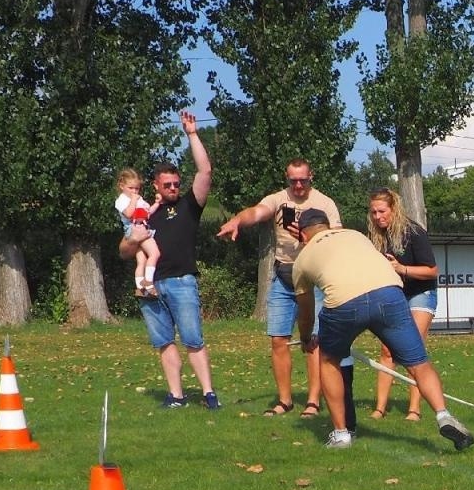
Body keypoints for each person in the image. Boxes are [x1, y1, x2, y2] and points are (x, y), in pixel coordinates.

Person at [290, 208, 474, 451]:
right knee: (419, 362)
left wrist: (305, 338)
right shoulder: (356, 235)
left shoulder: (302, 258)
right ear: (329, 226)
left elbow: (306, 309)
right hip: (389, 293)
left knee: (328, 361)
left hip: (345, 303)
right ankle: (443, 415)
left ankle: (341, 433)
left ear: (303, 235)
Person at [215, 159, 340, 419]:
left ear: (311, 177)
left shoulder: (325, 204)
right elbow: (257, 212)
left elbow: (335, 241)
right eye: (293, 180)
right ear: (287, 178)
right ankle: (285, 400)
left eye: (303, 180)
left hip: (313, 278)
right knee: (277, 340)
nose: (298, 185)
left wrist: (307, 238)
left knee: (313, 342)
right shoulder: (277, 199)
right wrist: (238, 220)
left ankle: (313, 401)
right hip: (283, 277)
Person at [120, 111, 219, 409]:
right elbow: (124, 251)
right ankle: (176, 395)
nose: (174, 189)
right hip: (151, 286)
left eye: (176, 184)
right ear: (156, 186)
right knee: (163, 341)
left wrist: (192, 134)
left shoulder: (189, 206)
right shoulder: (144, 213)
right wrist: (132, 240)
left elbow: (204, 173)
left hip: (181, 281)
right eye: (168, 185)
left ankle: (208, 394)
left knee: (193, 339)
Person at [365, 188, 439, 421]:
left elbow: (432, 270)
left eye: (382, 211)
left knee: (412, 349)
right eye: (374, 212)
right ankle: (379, 408)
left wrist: (402, 269)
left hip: (421, 293)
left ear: (394, 209)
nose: (378, 217)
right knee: (387, 350)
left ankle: (414, 410)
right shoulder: (376, 236)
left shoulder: (414, 232)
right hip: (394, 295)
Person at [114, 168, 159, 297]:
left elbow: (147, 212)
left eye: (137, 189)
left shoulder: (140, 200)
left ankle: (140, 287)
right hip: (135, 228)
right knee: (155, 253)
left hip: (142, 224)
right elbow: (128, 214)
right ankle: (148, 282)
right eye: (131, 188)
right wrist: (134, 200)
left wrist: (156, 204)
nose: (134, 191)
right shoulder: (121, 200)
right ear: (122, 186)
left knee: (142, 260)